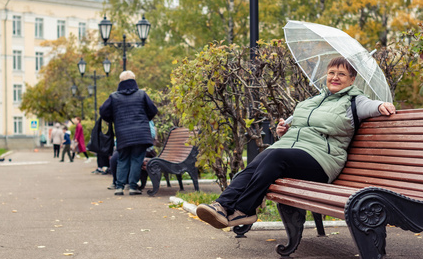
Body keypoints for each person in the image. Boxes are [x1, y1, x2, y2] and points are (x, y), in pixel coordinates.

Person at [196, 57, 396, 229]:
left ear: (352, 79)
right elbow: (302, 128)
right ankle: (222, 206)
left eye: (342, 74)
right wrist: (284, 132)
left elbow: (371, 106)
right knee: (263, 157)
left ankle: (244, 209)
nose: (335, 77)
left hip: (323, 161)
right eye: (331, 72)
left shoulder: (355, 101)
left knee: (275, 155)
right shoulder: (313, 101)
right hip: (296, 153)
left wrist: (381, 105)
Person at [100, 70, 158, 196]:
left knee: (122, 159)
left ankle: (119, 187)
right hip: (140, 133)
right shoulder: (142, 94)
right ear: (134, 80)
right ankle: (132, 187)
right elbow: (153, 110)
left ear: (120, 81)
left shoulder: (114, 97)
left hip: (123, 133)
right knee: (137, 159)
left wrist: (113, 119)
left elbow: (103, 111)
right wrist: (144, 119)